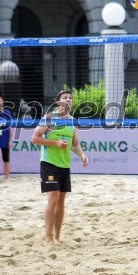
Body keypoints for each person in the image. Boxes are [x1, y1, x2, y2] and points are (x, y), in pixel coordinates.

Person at [31, 90, 89, 246]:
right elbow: (35, 139)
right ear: (58, 102)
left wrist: (82, 155)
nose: (68, 100)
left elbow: (75, 144)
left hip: (64, 164)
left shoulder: (71, 121)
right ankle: (48, 238)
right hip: (49, 163)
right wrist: (55, 143)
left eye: (70, 98)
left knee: (61, 201)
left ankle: (57, 236)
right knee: (54, 197)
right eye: (65, 98)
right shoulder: (49, 119)